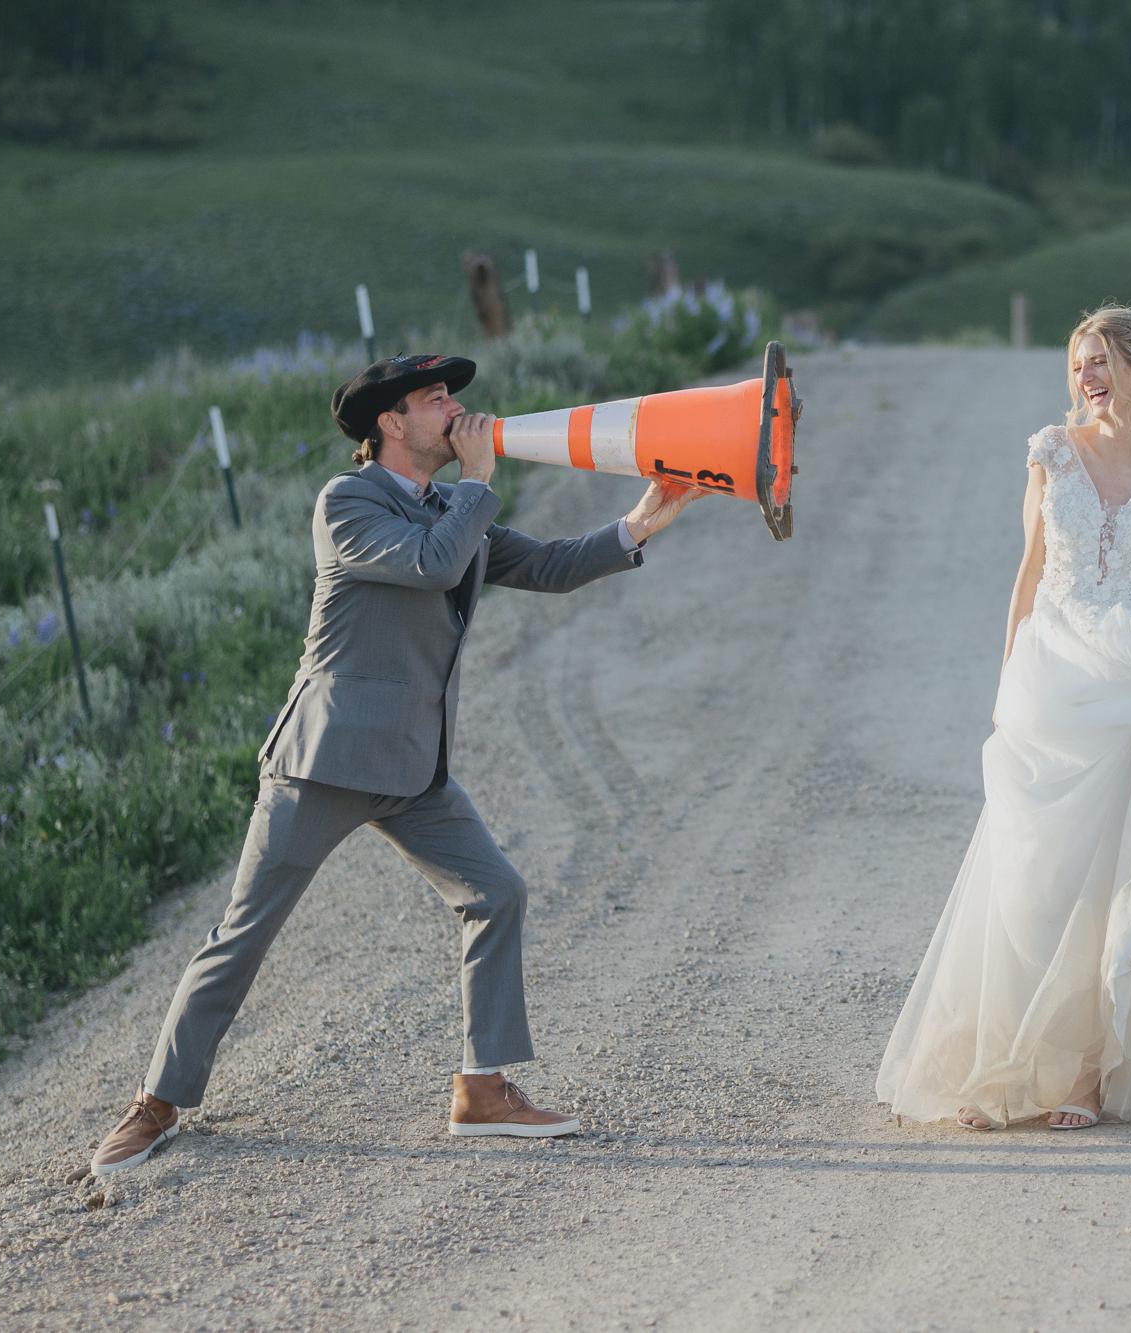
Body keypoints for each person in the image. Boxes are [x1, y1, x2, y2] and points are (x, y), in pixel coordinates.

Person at [92, 353, 702, 1176]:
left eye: (453, 394)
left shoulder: (454, 503)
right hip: (325, 760)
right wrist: (483, 482)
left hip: (413, 766)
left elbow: (543, 565)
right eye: (435, 398)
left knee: (496, 891)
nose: (455, 409)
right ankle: (157, 1101)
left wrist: (638, 524)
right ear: (391, 422)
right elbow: (431, 565)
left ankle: (482, 1090)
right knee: (241, 936)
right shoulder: (346, 503)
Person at [875, 305, 1131, 1131]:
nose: (1084, 376)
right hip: (1052, 679)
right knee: (1029, 877)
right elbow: (1028, 575)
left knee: (1114, 878)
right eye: (1076, 364)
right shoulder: (1052, 454)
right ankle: (1000, 1065)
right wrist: (1006, 677)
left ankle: (1086, 1075)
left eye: (1098, 361)